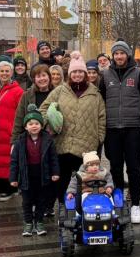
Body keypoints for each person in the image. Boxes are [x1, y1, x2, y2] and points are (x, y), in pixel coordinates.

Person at [40, 57, 106, 208]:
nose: (77, 75)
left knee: (84, 179)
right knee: (62, 179)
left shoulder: (95, 93)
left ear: (85, 74)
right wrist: (48, 121)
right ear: (70, 74)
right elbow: (43, 108)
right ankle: (64, 207)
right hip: (63, 143)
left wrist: (99, 138)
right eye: (74, 72)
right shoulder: (60, 90)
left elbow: (102, 117)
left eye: (80, 72)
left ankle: (81, 208)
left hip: (86, 145)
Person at [99, 40, 140, 225]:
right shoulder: (105, 75)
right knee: (115, 168)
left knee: (134, 168)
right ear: (112, 56)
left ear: (127, 54)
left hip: (133, 130)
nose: (119, 56)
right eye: (116, 53)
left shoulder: (138, 74)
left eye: (122, 53)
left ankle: (135, 204)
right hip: (112, 129)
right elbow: (101, 100)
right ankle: (118, 202)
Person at [10, 103, 59, 236]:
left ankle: (39, 222)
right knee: (27, 201)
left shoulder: (47, 140)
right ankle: (28, 223)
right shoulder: (20, 141)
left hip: (43, 176)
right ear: (26, 126)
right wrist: (13, 178)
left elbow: (53, 158)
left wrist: (55, 172)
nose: (34, 126)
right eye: (30, 123)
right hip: (26, 176)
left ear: (41, 125)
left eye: (37, 123)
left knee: (41, 201)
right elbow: (14, 161)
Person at [0, 58, 24, 201]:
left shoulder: (18, 91)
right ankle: (0, 188)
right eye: (2, 71)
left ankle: (11, 189)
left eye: (7, 71)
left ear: (12, 73)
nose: (4, 73)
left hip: (9, 132)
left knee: (9, 161)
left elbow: (21, 113)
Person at [12, 64, 53, 144]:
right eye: (38, 76)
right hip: (31, 141)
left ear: (49, 77)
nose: (42, 79)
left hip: (52, 141)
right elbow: (19, 120)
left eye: (44, 75)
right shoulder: (27, 95)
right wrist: (14, 142)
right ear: (34, 80)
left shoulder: (57, 94)